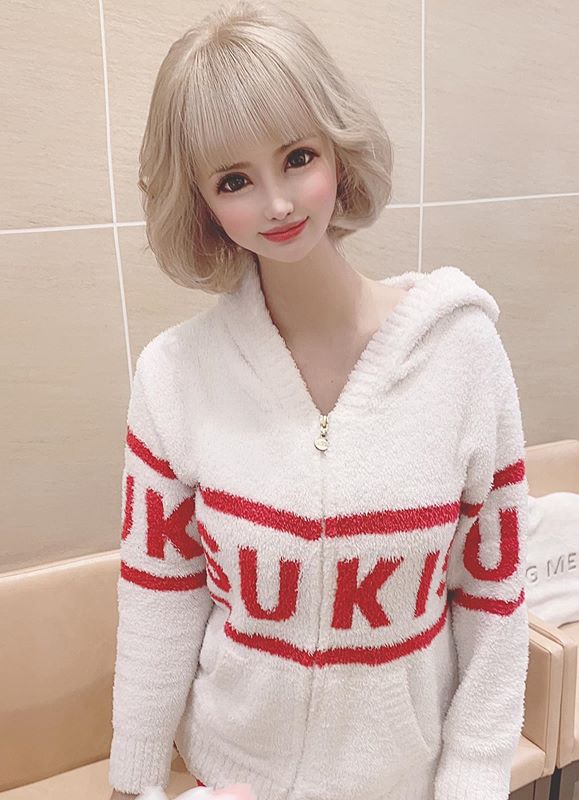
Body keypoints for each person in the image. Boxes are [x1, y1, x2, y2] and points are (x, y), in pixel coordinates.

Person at [108, 1, 530, 799]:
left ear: (339, 148)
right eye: (235, 180)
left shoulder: (462, 355)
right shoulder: (174, 377)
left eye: (297, 157)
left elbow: (493, 600)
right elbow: (160, 598)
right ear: (201, 202)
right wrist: (132, 781)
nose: (277, 203)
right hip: (228, 777)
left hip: (402, 782)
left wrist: (474, 782)